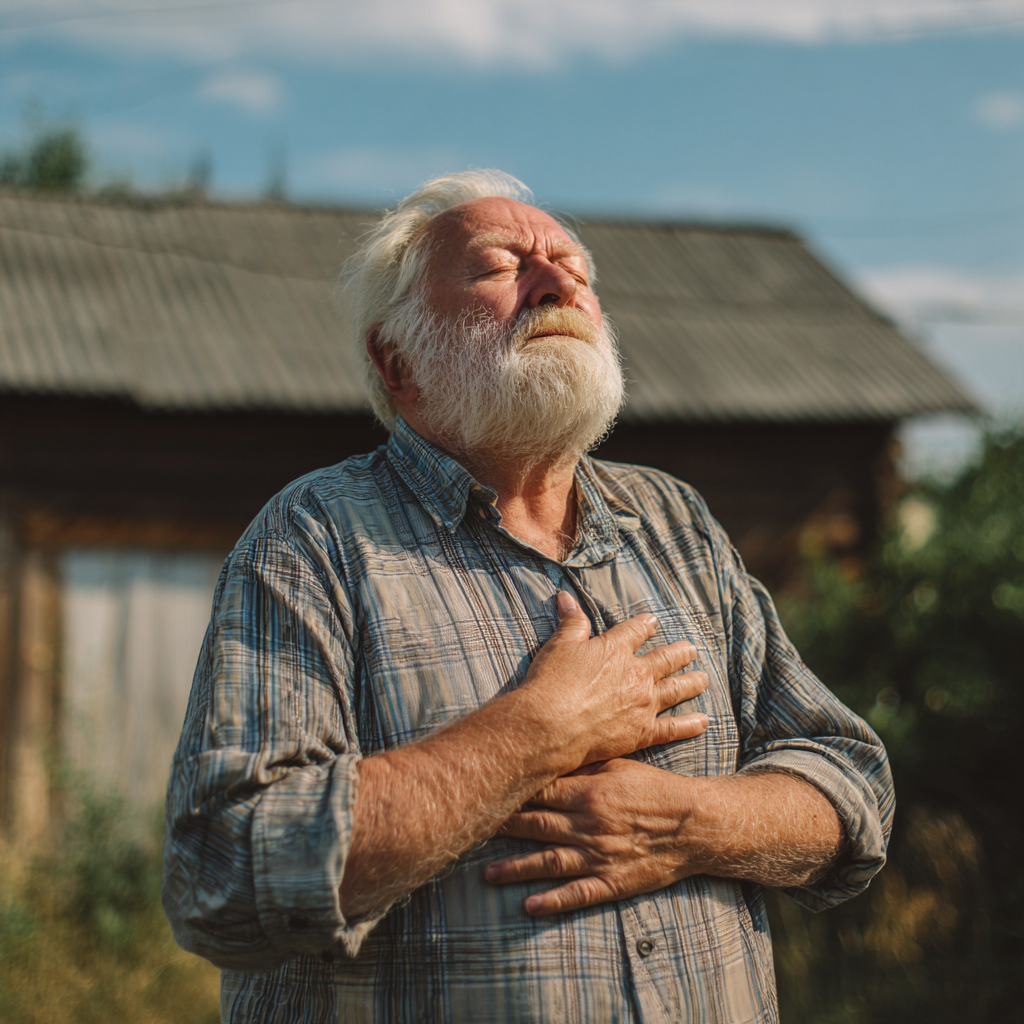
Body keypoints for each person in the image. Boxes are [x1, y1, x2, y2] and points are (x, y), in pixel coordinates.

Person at [163, 170, 893, 1024]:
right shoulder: (314, 540)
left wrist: (693, 822)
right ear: (398, 361)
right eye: (500, 266)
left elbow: (852, 784)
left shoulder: (673, 520)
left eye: (574, 266)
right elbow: (220, 875)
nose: (558, 283)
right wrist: (539, 730)